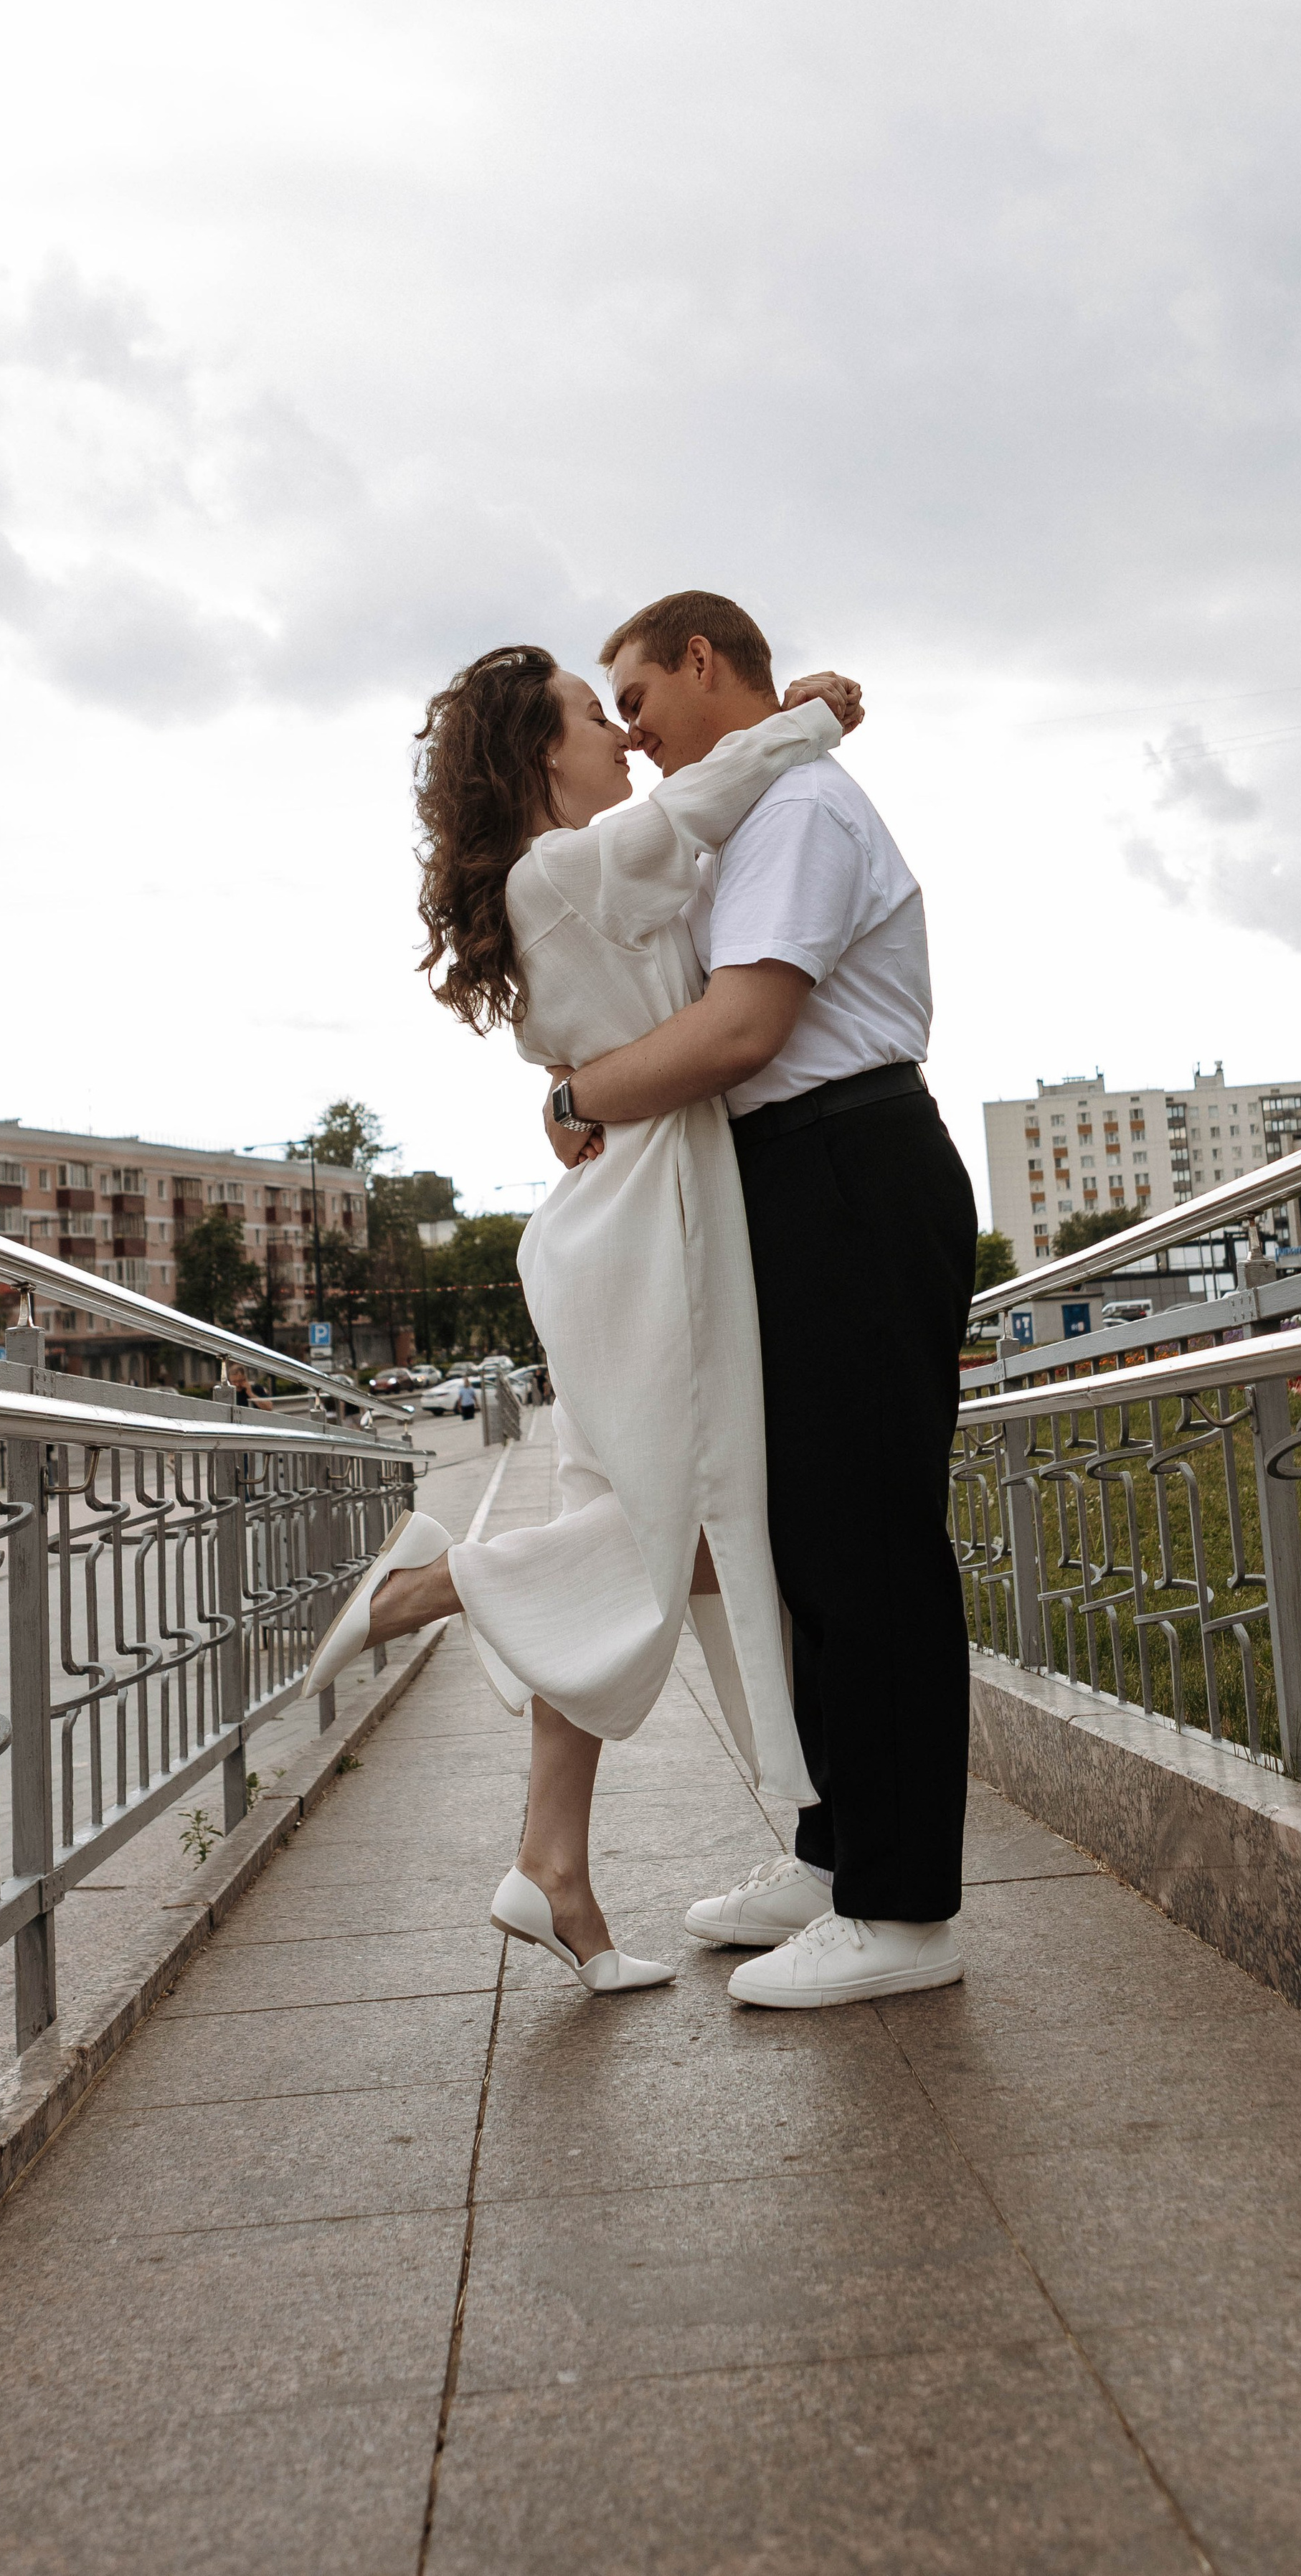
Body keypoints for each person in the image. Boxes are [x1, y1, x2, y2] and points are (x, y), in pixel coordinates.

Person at [301, 643, 858, 1997]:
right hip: (643, 1233)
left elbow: (668, 905)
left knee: (671, 1527)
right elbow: (694, 815)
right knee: (672, 1526)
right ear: (537, 756)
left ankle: (555, 1866)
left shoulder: (564, 879)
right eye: (584, 715)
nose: (615, 730)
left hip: (634, 1219)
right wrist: (806, 722)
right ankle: (431, 1586)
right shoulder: (559, 870)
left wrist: (567, 1098)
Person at [545, 589, 976, 2009]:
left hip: (847, 1165)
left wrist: (580, 1093)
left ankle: (903, 1913)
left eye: (636, 702)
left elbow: (743, 1028)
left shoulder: (794, 811)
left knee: (868, 1544)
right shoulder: (751, 811)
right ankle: (832, 1851)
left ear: (697, 659)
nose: (632, 735)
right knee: (805, 1544)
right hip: (795, 1181)